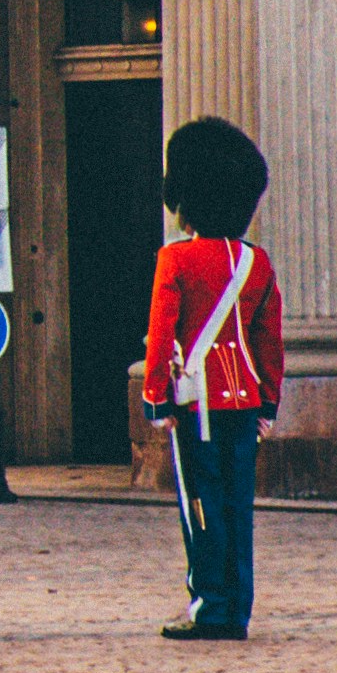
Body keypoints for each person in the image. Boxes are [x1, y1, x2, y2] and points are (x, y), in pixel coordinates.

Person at [144, 115, 281, 640]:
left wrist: (157, 399)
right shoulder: (256, 263)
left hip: (197, 403)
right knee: (236, 506)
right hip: (244, 400)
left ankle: (211, 605)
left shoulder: (176, 259)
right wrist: (268, 404)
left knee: (200, 503)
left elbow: (161, 335)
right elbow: (269, 341)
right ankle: (237, 605)